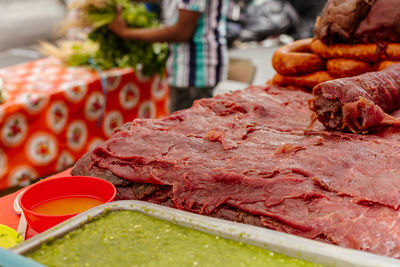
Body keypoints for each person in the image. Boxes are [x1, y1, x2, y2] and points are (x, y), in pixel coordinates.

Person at [108, 0, 228, 112]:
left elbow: (182, 32)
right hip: (186, 68)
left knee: (186, 129)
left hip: (195, 70)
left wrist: (125, 33)